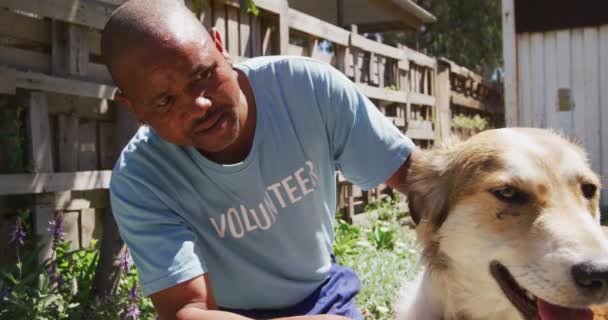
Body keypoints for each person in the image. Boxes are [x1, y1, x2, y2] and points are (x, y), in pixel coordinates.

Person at [102, 0, 418, 319]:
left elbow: (420, 179)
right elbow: (187, 309)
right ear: (134, 108)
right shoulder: (141, 179)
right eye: (166, 101)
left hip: (324, 296)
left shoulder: (308, 91)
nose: (199, 104)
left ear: (219, 46)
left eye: (202, 75)